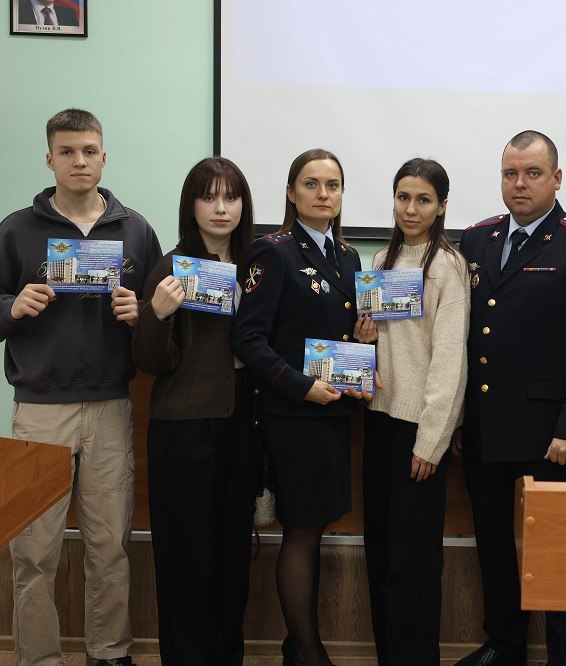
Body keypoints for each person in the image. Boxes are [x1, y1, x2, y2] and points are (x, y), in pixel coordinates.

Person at [0, 108, 161, 666]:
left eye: (89, 150)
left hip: (111, 406)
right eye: (67, 152)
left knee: (109, 544)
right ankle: (38, 658)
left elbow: (160, 322)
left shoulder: (135, 228)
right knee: (34, 552)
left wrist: (141, 313)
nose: (79, 161)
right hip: (40, 411)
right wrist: (10, 306)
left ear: (104, 156)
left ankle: (110, 652)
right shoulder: (16, 229)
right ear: (49, 159)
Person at [455, 130, 566, 666]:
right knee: (496, 551)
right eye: (510, 174)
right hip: (485, 427)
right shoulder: (476, 239)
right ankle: (505, 647)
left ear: (557, 179)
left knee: (557, 557)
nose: (519, 184)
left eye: (531, 173)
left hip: (552, 437)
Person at [232, 148, 374, 666]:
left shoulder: (350, 256)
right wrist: (300, 388)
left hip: (332, 413)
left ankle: (302, 647)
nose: (323, 194)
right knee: (301, 529)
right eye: (311, 184)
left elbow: (335, 336)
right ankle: (307, 651)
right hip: (292, 415)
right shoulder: (272, 252)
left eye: (332, 185)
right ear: (291, 193)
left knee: (313, 527)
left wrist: (363, 343)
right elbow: (248, 340)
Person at [132, 157, 258, 666]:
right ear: (191, 205)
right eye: (209, 197)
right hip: (183, 431)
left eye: (230, 197)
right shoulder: (171, 266)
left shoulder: (256, 266)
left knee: (233, 555)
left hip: (243, 425)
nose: (221, 208)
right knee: (184, 558)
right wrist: (157, 314)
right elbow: (150, 361)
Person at [362, 158, 470, 665]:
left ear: (441, 206)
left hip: (418, 433)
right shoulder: (380, 260)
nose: (411, 208)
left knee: (413, 564)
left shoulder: (447, 266)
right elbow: (382, 346)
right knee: (381, 554)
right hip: (378, 422)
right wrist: (363, 337)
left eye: (423, 199)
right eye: (403, 197)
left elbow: (450, 363)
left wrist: (431, 441)